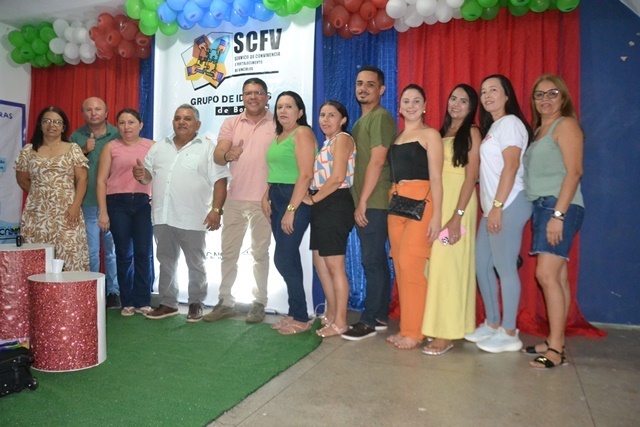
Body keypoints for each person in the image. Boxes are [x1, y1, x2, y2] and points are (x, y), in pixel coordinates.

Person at [133, 104, 230, 322]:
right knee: (166, 261)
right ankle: (168, 304)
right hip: (163, 215)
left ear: (198, 124)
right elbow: (147, 177)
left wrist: (216, 210)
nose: (182, 122)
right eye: (178, 118)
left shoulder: (207, 148)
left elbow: (220, 180)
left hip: (193, 216)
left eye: (187, 118)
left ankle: (196, 303)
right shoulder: (160, 146)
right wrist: (141, 174)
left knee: (195, 263)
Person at [464, 74, 533, 353]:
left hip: (509, 203)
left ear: (507, 95)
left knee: (504, 267)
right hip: (492, 207)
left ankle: (509, 331)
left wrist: (498, 206)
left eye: (494, 90)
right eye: (483, 92)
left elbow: (511, 166)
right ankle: (492, 323)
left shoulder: (511, 123)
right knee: (482, 264)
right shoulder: (494, 127)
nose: (487, 95)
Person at [522, 74, 584, 369]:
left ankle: (556, 350)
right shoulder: (539, 131)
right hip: (543, 206)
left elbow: (574, 172)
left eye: (552, 93)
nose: (545, 99)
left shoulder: (566, 125)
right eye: (539, 95)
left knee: (546, 275)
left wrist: (558, 215)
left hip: (559, 206)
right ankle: (553, 340)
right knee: (556, 277)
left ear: (563, 98)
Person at [204, 78, 275, 324]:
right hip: (233, 200)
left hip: (264, 201)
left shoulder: (277, 122)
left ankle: (259, 302)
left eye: (258, 92)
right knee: (229, 254)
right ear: (242, 97)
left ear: (267, 97)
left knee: (260, 254)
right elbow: (218, 156)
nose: (253, 97)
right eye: (248, 93)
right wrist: (227, 154)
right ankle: (225, 301)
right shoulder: (231, 122)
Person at [422, 84, 481, 356]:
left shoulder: (472, 132)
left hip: (458, 206)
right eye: (453, 98)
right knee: (434, 266)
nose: (456, 104)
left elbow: (471, 177)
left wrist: (457, 217)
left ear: (471, 107)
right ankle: (438, 324)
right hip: (438, 205)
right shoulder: (442, 132)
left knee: (448, 266)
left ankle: (446, 333)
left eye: (463, 100)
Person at [385, 84, 443, 350]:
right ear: (399, 107)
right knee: (400, 267)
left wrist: (437, 215)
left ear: (425, 106)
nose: (410, 105)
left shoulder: (431, 135)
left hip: (422, 202)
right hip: (396, 203)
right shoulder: (397, 137)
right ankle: (407, 328)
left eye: (416, 100)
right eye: (406, 101)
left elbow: (437, 178)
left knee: (411, 266)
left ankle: (414, 332)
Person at [342, 66, 396, 341]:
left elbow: (377, 160)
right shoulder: (360, 122)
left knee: (371, 260)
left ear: (381, 90)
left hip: (374, 201)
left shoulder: (381, 117)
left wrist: (362, 201)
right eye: (359, 83)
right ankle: (380, 315)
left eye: (370, 84)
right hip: (367, 200)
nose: (363, 88)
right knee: (375, 260)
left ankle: (368, 321)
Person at [261, 91, 316, 335]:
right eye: (280, 107)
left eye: (289, 106)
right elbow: (275, 170)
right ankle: (296, 313)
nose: (283, 111)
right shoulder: (279, 136)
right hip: (277, 197)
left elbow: (305, 174)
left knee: (282, 259)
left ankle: (301, 317)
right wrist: (266, 195)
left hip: (295, 198)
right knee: (290, 258)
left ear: (300, 112)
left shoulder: (302, 133)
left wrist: (291, 210)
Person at [301, 101, 356, 338]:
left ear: (343, 120)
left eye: (331, 115)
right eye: (322, 115)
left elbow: (337, 177)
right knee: (320, 263)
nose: (325, 119)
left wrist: (314, 199)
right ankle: (331, 314)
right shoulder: (327, 143)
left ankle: (341, 322)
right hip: (323, 204)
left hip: (335, 203)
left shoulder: (343, 139)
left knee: (334, 265)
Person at [15, 106, 90, 271]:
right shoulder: (28, 150)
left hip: (67, 211)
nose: (52, 125)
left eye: (57, 122)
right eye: (47, 121)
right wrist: (41, 194)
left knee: (69, 254)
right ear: (40, 125)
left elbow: (82, 179)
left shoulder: (73, 149)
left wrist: (75, 206)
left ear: (63, 127)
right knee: (38, 258)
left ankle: (71, 289)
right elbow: (22, 179)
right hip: (37, 213)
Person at [96, 109, 154, 317]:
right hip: (117, 204)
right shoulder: (111, 147)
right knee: (123, 254)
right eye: (122, 123)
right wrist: (103, 212)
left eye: (131, 122)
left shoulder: (152, 146)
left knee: (143, 253)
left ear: (140, 125)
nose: (126, 127)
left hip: (144, 204)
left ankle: (143, 300)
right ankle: (127, 302)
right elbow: (101, 181)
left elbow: (160, 175)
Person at [70, 97, 120, 308]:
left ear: (106, 112)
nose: (93, 113)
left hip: (114, 202)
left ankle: (113, 292)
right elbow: (65, 167)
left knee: (112, 251)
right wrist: (83, 150)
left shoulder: (117, 133)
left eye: (98, 109)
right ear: (83, 113)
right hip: (88, 202)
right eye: (88, 110)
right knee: (91, 251)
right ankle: (93, 291)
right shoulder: (76, 136)